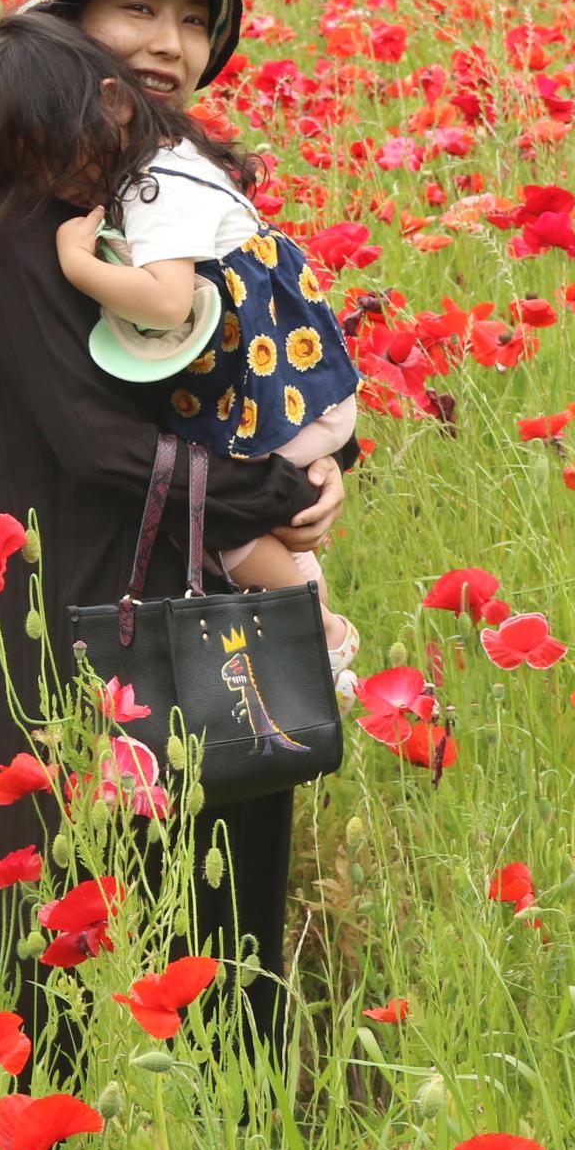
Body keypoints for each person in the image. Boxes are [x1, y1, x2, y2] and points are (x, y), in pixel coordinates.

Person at [0, 0, 352, 1084]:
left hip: (209, 590)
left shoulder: (174, 207)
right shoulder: (26, 218)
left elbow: (259, 356)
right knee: (60, 917)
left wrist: (307, 474)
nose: (167, 41)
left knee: (224, 914)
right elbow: (93, 450)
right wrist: (265, 495)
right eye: (135, 7)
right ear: (66, 25)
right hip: (62, 598)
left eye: (191, 18)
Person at [48, 37, 363, 689]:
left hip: (267, 402)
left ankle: (318, 630)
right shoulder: (180, 158)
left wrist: (78, 265)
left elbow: (166, 302)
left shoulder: (152, 185)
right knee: (247, 521)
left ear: (113, 105)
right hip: (304, 392)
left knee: (222, 530)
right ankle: (317, 630)